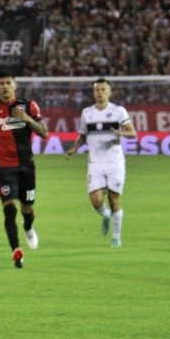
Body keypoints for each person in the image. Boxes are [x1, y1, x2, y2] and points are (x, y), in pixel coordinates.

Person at [0, 71, 48, 268]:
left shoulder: (28, 105)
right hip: (4, 168)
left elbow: (44, 132)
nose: (5, 87)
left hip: (26, 167)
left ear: (15, 86)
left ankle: (28, 227)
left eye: (8, 83)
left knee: (28, 208)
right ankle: (16, 251)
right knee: (9, 210)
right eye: (1, 84)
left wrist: (26, 118)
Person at [65, 77, 137, 248]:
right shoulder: (87, 113)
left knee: (114, 199)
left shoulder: (119, 111)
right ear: (93, 92)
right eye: (97, 90)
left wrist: (121, 134)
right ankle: (105, 216)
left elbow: (132, 133)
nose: (100, 92)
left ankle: (116, 238)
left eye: (103, 89)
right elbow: (82, 135)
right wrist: (74, 148)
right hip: (95, 163)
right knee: (96, 201)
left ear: (109, 92)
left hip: (115, 162)